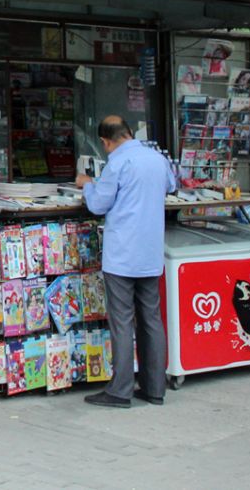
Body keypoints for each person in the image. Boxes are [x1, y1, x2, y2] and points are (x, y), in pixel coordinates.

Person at [75, 116, 176, 408]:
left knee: (121, 322)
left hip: (122, 255)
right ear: (129, 132)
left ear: (107, 142)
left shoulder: (116, 164)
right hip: (150, 251)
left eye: (104, 144)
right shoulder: (156, 158)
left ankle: (120, 391)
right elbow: (170, 186)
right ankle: (155, 388)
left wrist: (88, 184)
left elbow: (97, 205)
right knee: (151, 319)